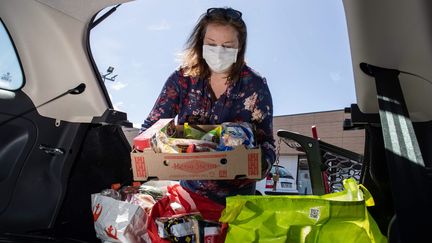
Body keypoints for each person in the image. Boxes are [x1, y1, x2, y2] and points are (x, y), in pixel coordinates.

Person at [141, 7, 275, 205]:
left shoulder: (255, 85)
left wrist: (254, 165)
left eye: (228, 46)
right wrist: (153, 158)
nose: (219, 53)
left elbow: (267, 144)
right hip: (189, 196)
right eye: (211, 44)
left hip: (238, 200)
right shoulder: (182, 80)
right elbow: (151, 127)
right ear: (200, 43)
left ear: (240, 48)